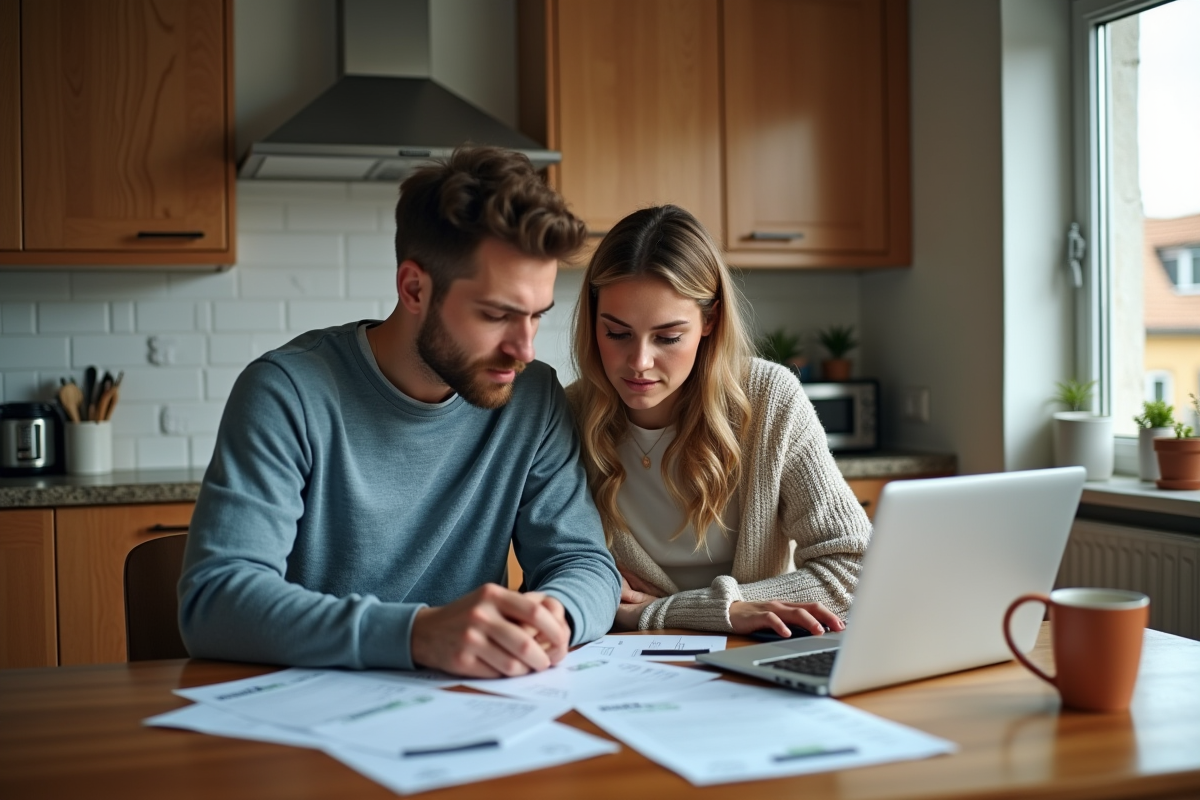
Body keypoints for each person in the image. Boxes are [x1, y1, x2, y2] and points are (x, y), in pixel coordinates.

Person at [179, 146, 621, 678]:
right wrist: (416, 633)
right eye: (496, 315)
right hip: (307, 710)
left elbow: (585, 564)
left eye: (535, 316)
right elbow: (213, 600)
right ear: (414, 288)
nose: (524, 348)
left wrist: (555, 615)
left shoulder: (532, 397)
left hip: (465, 707)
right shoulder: (288, 393)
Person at [567, 205, 870, 636]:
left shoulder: (769, 400)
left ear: (709, 321)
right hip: (625, 665)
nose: (639, 362)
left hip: (753, 653)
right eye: (616, 333)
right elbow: (558, 578)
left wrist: (667, 611)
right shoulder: (567, 418)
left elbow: (856, 569)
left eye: (668, 337)